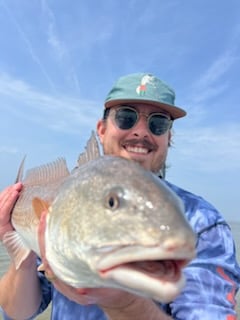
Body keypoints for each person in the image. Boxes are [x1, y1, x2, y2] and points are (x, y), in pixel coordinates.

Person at [0, 72, 239, 320]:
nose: (141, 132)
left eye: (158, 123)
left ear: (168, 137)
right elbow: (17, 312)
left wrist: (125, 305)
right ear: (101, 130)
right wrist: (23, 255)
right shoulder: (69, 198)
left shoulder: (202, 223)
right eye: (126, 118)